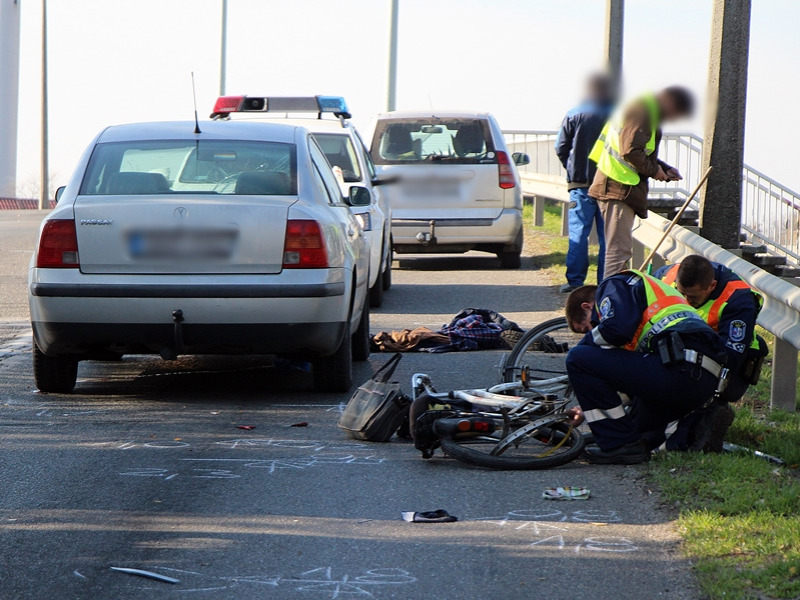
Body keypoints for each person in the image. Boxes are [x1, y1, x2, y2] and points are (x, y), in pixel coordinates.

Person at [563, 269, 727, 464]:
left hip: (680, 367)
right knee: (633, 433)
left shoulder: (613, 285)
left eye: (587, 327)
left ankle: (618, 446)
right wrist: (587, 407)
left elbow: (616, 329)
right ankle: (695, 430)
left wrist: (583, 348)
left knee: (578, 357)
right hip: (699, 379)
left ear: (588, 306)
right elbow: (626, 376)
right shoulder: (650, 299)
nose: (592, 332)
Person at [654, 255, 767, 451]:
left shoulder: (738, 299)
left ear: (712, 286)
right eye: (682, 294)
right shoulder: (666, 276)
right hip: (682, 351)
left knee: (693, 386)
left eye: (693, 297)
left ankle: (711, 411)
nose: (686, 301)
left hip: (731, 365)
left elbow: (731, 356)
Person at [588, 86, 695, 277]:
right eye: (675, 114)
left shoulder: (644, 110)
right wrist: (654, 171)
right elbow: (630, 151)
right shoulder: (643, 113)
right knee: (618, 253)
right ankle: (611, 295)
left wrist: (663, 168)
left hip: (618, 186)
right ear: (670, 103)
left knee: (618, 252)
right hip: (618, 186)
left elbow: (638, 150)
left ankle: (613, 292)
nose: (672, 119)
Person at [555, 75, 614, 293]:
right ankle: (605, 282)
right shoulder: (616, 114)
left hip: (580, 184)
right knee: (607, 237)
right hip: (608, 183)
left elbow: (561, 147)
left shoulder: (574, 113)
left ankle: (575, 282)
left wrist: (572, 169)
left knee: (579, 234)